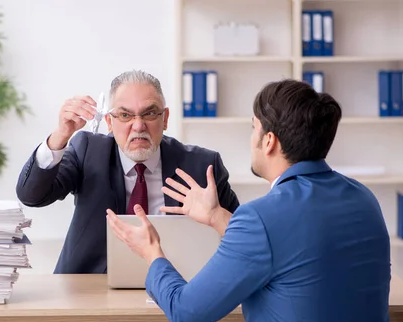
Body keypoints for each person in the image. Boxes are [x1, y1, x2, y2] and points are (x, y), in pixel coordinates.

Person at [106, 79, 403, 322]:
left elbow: (186, 311)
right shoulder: (363, 198)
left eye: (252, 128)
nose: (249, 139)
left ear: (268, 141)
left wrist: (153, 254)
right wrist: (217, 217)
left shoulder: (261, 217)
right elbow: (294, 252)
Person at [16, 70, 240, 274]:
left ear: (165, 119)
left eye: (150, 113)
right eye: (125, 115)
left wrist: (217, 216)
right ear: (109, 123)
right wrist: (60, 135)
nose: (138, 125)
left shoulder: (202, 166)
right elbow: (32, 195)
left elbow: (245, 236)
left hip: (177, 288)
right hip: (91, 289)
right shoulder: (87, 150)